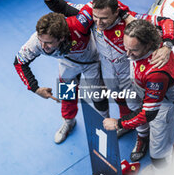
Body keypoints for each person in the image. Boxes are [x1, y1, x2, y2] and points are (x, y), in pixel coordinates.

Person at [42, 0, 174, 160]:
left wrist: (167, 46)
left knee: (135, 106)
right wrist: (51, 0)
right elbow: (65, 8)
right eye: (96, 17)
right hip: (104, 68)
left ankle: (142, 137)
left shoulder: (133, 21)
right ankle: (72, 121)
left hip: (127, 71)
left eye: (104, 18)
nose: (98, 23)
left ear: (116, 12)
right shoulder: (90, 14)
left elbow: (167, 22)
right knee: (103, 95)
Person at [103, 20, 174, 168]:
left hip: (165, 106)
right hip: (141, 86)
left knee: (158, 153)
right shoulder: (148, 32)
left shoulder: (157, 71)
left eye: (133, 50)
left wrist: (119, 123)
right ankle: (142, 137)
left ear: (148, 45)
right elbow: (167, 21)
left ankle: (162, 174)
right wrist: (168, 44)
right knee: (132, 104)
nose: (127, 54)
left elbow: (148, 114)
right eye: (126, 47)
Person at [14, 12, 109, 144]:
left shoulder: (79, 25)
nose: (42, 46)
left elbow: (98, 8)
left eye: (48, 43)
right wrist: (35, 88)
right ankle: (69, 122)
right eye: (41, 40)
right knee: (66, 94)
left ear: (62, 37)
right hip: (67, 64)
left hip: (91, 61)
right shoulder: (35, 42)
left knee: (98, 95)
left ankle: (105, 123)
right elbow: (19, 62)